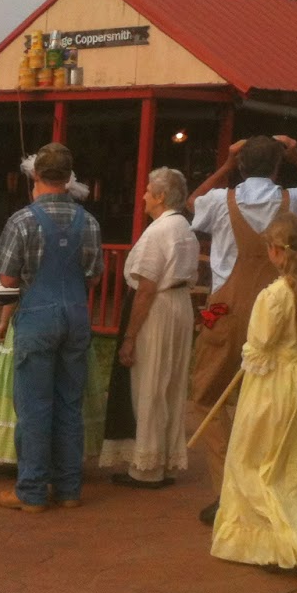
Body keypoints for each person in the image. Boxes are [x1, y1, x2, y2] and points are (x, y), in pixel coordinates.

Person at [187, 134, 297, 527]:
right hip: (284, 304)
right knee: (269, 401)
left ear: (240, 166)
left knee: (209, 397)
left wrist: (225, 165)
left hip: (227, 309)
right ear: (278, 166)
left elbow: (192, 203)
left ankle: (227, 491)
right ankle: (265, 485)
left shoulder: (222, 201)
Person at [210, 210, 297, 570]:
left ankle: (275, 539)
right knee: (294, 464)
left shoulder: (273, 297)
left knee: (257, 460)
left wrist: (254, 356)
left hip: (271, 386)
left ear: (275, 251)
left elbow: (258, 346)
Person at [0, 143, 103, 512]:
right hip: (76, 314)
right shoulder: (89, 221)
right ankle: (69, 488)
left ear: (35, 176)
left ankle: (33, 491)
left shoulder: (21, 221)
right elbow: (94, 275)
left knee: (35, 406)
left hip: (38, 315)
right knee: (69, 403)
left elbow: (7, 279)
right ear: (70, 179)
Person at [101, 167, 199, 488]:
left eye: (147, 191)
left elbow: (145, 287)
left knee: (149, 380)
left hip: (158, 306)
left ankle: (146, 467)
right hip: (181, 304)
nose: (142, 196)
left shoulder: (158, 231)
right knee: (171, 382)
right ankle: (165, 460)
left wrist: (129, 336)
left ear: (159, 196)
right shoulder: (185, 227)